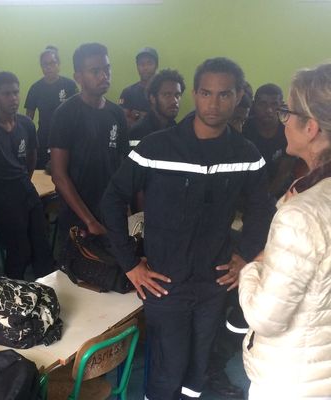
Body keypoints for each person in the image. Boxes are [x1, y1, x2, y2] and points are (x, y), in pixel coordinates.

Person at [101, 57, 274, 400]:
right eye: (206, 93)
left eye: (225, 94)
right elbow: (112, 199)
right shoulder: (157, 147)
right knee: (168, 367)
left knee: (197, 367)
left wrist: (245, 257)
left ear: (239, 96)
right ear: (194, 94)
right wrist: (131, 264)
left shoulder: (246, 153)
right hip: (165, 283)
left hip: (214, 281)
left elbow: (262, 209)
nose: (214, 103)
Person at [239, 63, 331, 399]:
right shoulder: (306, 192)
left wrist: (251, 266)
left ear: (311, 127)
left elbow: (266, 318)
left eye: (287, 112)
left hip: (296, 379)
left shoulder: (302, 215)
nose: (283, 120)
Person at [49, 42, 128, 256]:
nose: (104, 75)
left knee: (114, 277)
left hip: (111, 213)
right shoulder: (65, 114)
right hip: (78, 217)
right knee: (75, 279)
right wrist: (89, 220)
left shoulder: (116, 114)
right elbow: (58, 175)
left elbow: (121, 166)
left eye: (107, 69)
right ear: (78, 77)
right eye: (95, 71)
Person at [0, 71, 54, 280]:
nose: (13, 98)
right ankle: (14, 295)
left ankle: (47, 292)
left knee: (42, 246)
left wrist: (24, 180)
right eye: (6, 94)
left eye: (16, 93)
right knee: (19, 251)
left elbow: (31, 157)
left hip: (25, 189)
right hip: (0, 194)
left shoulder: (26, 124)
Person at [24, 47, 77, 169]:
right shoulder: (35, 88)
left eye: (52, 63)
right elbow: (28, 119)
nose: (48, 67)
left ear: (58, 64)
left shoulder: (70, 85)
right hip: (43, 139)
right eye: (45, 64)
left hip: (67, 138)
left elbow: (78, 112)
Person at [243, 83, 296, 198]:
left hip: (279, 193)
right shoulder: (244, 128)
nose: (269, 110)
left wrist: (265, 198)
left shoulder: (289, 131)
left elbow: (284, 173)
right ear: (254, 105)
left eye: (274, 104)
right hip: (246, 190)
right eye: (263, 104)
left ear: (281, 106)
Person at [128, 68, 185, 150]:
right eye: (167, 95)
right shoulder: (139, 132)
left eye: (177, 95)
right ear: (153, 98)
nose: (174, 101)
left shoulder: (178, 131)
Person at [119, 47, 158, 126]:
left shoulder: (162, 92)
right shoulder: (127, 92)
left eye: (149, 63)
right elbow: (122, 119)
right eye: (142, 64)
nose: (145, 68)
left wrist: (137, 115)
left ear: (156, 66)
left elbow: (164, 119)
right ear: (137, 67)